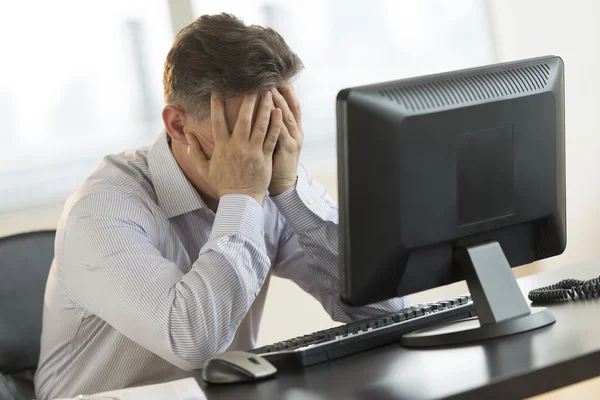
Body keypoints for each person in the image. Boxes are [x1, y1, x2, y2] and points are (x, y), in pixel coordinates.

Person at [34, 13, 406, 399]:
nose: (262, 145)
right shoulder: (101, 210)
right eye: (243, 129)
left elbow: (386, 310)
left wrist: (290, 192)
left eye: (273, 121)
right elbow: (193, 341)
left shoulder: (271, 172)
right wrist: (243, 197)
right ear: (178, 126)